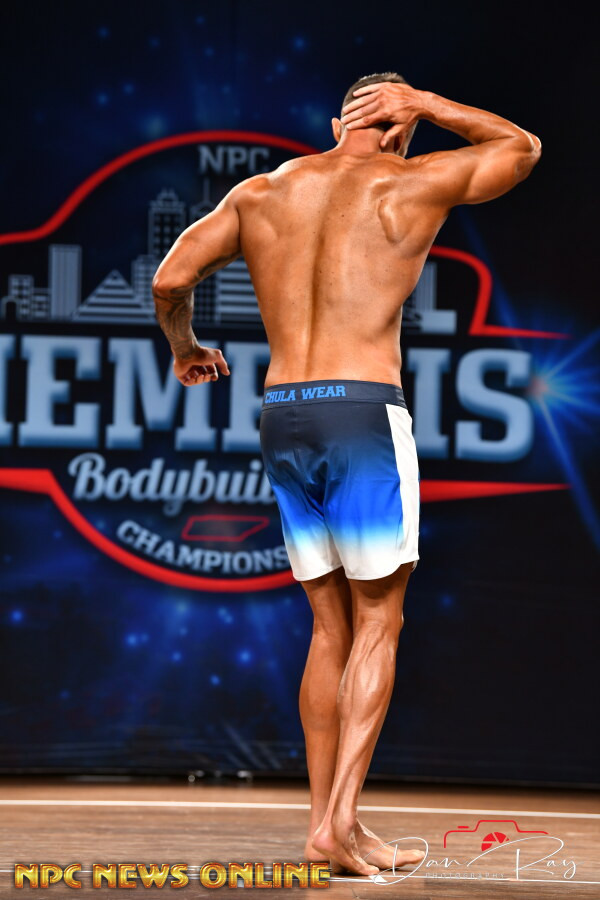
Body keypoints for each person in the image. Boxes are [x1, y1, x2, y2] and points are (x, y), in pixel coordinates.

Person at [152, 72, 541, 876]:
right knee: (379, 623)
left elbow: (169, 279)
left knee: (329, 628)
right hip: (362, 414)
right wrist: (429, 105)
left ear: (338, 124)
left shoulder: (263, 193)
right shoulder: (412, 181)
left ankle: (331, 829)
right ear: (401, 124)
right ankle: (338, 825)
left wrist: (185, 348)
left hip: (283, 414)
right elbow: (522, 148)